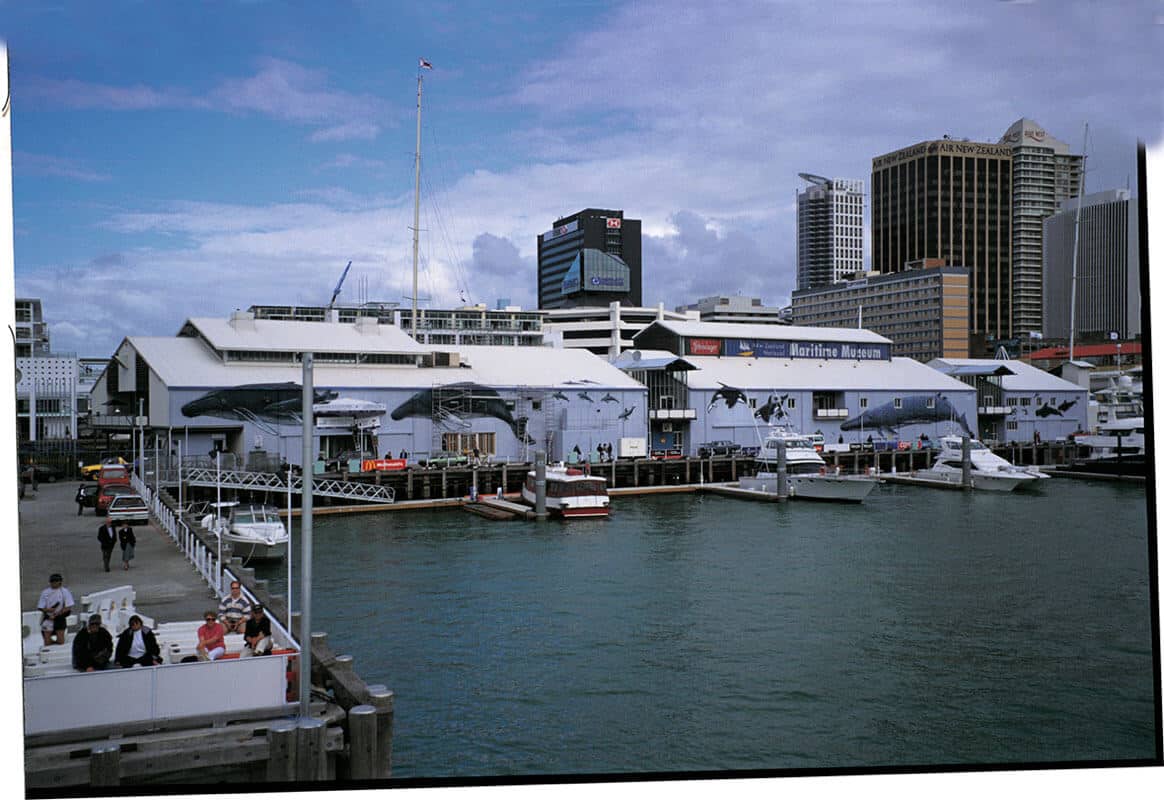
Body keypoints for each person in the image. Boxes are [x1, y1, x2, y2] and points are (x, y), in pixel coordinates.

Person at [37, 573, 75, 646]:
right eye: (52, 581)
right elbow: (40, 607)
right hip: (48, 618)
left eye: (56, 581)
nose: (54, 583)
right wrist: (48, 610)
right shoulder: (45, 592)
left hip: (59, 618)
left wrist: (57, 614)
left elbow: (68, 607)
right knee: (47, 641)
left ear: (60, 582)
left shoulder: (65, 592)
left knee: (61, 641)